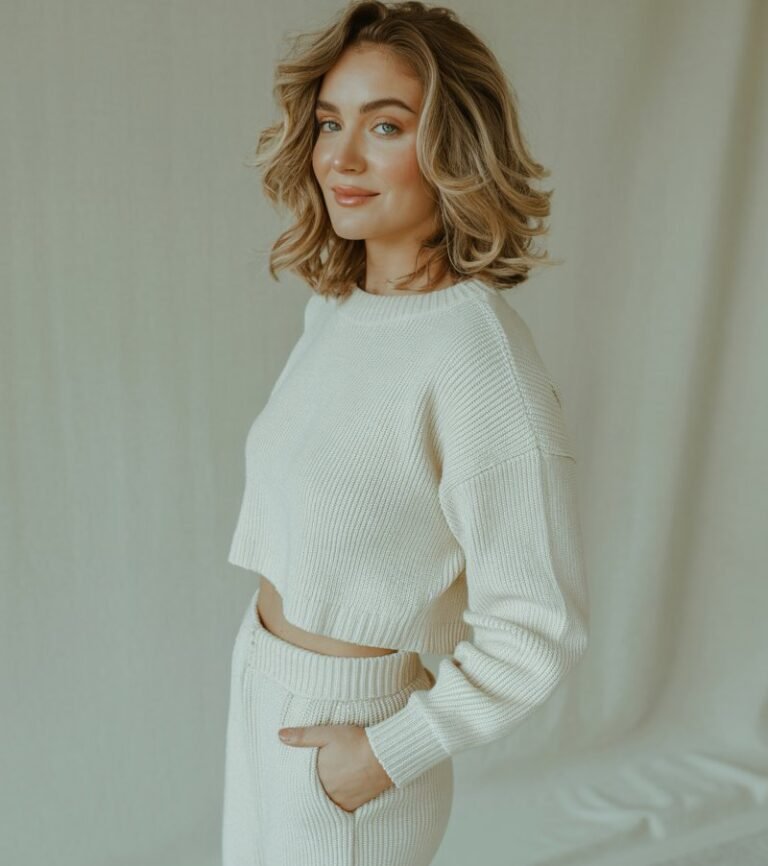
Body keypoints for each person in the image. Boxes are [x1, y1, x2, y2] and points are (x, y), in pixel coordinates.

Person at [221, 2, 590, 865]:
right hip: (263, 692)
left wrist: (386, 753)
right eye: (328, 122)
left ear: (453, 149)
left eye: (384, 125)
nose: (339, 158)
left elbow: (540, 626)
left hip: (353, 737)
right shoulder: (339, 313)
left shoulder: (478, 357)